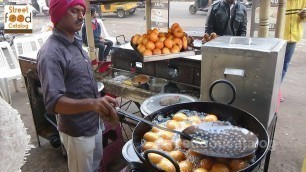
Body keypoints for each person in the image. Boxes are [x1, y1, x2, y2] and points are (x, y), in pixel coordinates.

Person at [36, 0, 119, 171]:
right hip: (77, 131)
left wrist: (99, 102)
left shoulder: (76, 42)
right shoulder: (50, 53)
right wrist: (93, 103)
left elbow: (80, 82)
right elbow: (54, 103)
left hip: (93, 122)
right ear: (58, 14)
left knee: (95, 165)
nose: (81, 16)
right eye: (74, 11)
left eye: (82, 11)